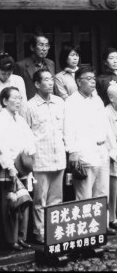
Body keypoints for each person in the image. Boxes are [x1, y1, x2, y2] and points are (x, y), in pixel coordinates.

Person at [64, 65, 114, 234]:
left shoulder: (97, 99)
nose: (93, 82)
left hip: (101, 149)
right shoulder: (72, 102)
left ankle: (101, 227)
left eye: (94, 79)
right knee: (85, 193)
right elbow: (68, 128)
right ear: (79, 82)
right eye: (89, 79)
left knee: (102, 191)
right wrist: (72, 151)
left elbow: (105, 126)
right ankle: (85, 231)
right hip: (84, 150)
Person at [21, 69, 66, 245]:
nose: (50, 83)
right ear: (37, 84)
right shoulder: (29, 106)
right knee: (40, 199)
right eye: (45, 80)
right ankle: (40, 232)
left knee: (57, 198)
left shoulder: (60, 102)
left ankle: (55, 230)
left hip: (59, 157)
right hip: (40, 159)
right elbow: (25, 134)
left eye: (51, 79)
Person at [0, 87, 37, 251]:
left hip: (23, 165)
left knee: (24, 202)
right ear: (4, 101)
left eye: (19, 98)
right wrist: (10, 167)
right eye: (14, 98)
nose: (18, 101)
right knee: (11, 204)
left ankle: (21, 236)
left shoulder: (20, 119)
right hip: (9, 167)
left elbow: (30, 139)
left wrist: (29, 156)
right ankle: (12, 239)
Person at [14, 33, 55, 100]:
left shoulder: (50, 63)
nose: (44, 49)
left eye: (47, 45)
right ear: (32, 47)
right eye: (41, 45)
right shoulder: (21, 66)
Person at [105, 84, 117, 231]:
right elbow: (109, 138)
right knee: (114, 188)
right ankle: (113, 218)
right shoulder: (106, 112)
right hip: (112, 153)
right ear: (112, 98)